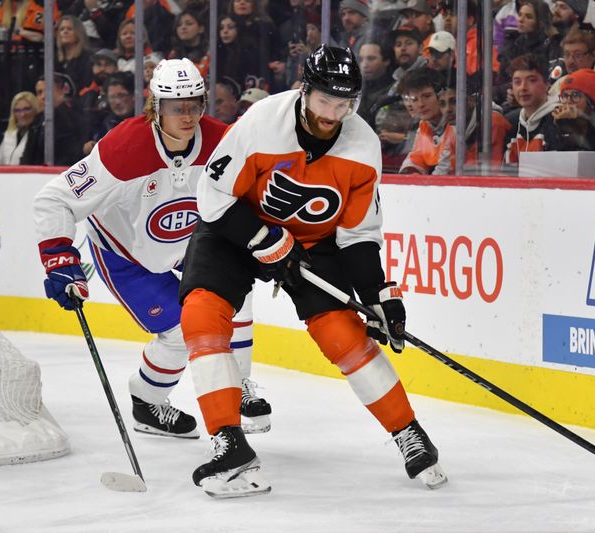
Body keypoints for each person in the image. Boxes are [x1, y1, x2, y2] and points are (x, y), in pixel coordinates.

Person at [177, 44, 447, 498]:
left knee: (344, 334)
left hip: (311, 243)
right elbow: (212, 196)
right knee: (202, 313)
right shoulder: (262, 122)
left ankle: (409, 433)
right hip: (237, 226)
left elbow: (358, 234)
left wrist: (380, 293)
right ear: (305, 91)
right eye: (325, 100)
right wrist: (264, 241)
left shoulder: (362, 146)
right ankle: (229, 442)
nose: (333, 113)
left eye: (343, 104)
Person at [32, 58, 273, 442]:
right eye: (177, 106)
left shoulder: (222, 140)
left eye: (195, 104)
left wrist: (267, 238)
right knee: (180, 333)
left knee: (236, 296)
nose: (188, 114)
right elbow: (54, 199)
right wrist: (60, 259)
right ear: (155, 106)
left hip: (189, 246)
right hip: (126, 255)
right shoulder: (124, 148)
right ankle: (147, 400)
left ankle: (239, 384)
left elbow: (253, 190)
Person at [0, 91, 41, 165]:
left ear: (35, 109)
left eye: (26, 109)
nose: (22, 114)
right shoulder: (9, 135)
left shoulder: (38, 136)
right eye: (17, 110)